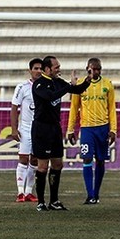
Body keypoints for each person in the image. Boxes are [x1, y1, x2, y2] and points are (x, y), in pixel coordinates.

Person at [32, 55, 91, 211]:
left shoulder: (58, 82)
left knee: (58, 164)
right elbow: (50, 96)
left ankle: (54, 201)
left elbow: (76, 90)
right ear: (47, 69)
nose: (59, 69)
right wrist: (68, 87)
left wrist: (87, 81)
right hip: (42, 129)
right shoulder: (39, 84)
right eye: (56, 67)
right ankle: (40, 202)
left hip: (55, 128)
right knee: (43, 166)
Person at [67, 58, 117, 205]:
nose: (95, 71)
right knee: (87, 158)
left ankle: (96, 193)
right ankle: (90, 195)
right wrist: (70, 129)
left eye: (97, 69)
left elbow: (112, 108)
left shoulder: (107, 84)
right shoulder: (80, 85)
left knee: (100, 161)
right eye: (92, 69)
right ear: (87, 69)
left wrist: (113, 129)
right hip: (87, 129)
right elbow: (74, 108)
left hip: (103, 128)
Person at [10, 58, 43, 203]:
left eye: (41, 68)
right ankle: (20, 192)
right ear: (30, 70)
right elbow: (14, 107)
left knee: (35, 160)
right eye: (35, 68)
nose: (38, 71)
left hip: (40, 129)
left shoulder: (45, 86)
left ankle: (29, 192)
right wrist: (14, 129)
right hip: (25, 128)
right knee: (23, 159)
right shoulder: (22, 87)